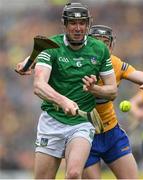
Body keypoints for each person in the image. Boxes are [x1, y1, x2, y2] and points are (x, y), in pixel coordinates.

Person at [15, 3, 117, 179]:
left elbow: (112, 90)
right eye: (73, 23)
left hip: (81, 121)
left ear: (88, 24)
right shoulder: (50, 46)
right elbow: (39, 85)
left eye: (82, 23)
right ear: (65, 24)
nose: (78, 28)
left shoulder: (100, 49)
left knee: (74, 173)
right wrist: (63, 101)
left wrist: (95, 89)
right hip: (52, 121)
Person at [82, 25, 143, 179]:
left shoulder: (115, 63)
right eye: (97, 42)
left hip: (111, 132)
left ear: (111, 45)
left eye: (106, 42)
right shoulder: (76, 64)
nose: (102, 46)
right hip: (83, 134)